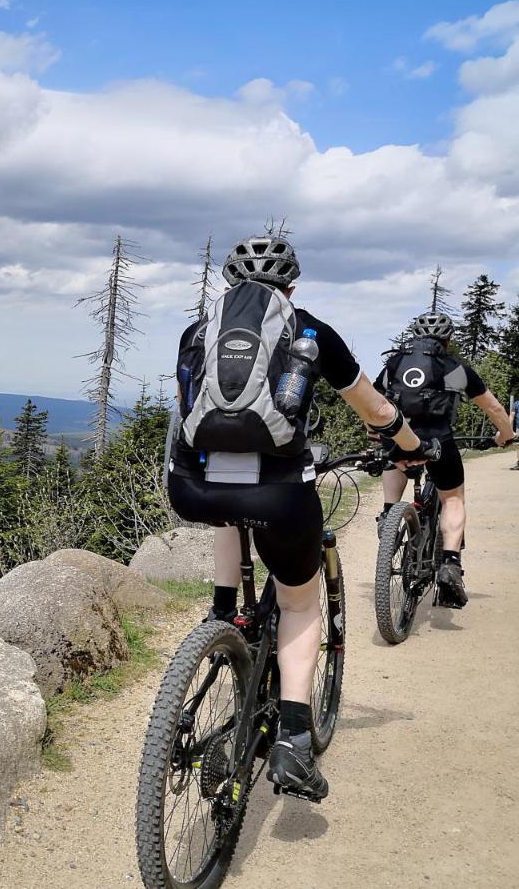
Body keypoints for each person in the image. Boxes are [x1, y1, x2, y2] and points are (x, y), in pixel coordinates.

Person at [169, 235, 435, 802]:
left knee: (227, 505)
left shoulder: (198, 332)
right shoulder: (311, 330)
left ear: (230, 284)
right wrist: (408, 447)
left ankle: (222, 618)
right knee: (298, 601)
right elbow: (379, 409)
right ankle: (293, 739)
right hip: (281, 494)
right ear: (291, 287)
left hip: (192, 488)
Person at [374, 312, 517, 606]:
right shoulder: (454, 367)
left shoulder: (394, 362)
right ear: (447, 340)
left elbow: (375, 403)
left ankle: (389, 511)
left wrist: (376, 438)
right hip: (437, 440)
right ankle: (451, 562)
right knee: (453, 498)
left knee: (396, 449)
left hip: (399, 438)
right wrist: (507, 435)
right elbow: (493, 408)